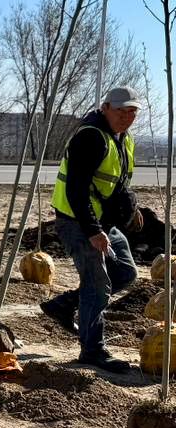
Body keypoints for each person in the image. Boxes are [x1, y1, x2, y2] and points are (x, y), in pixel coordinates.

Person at [40, 86, 142, 374]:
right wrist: (93, 231)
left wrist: (133, 209)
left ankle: (64, 305)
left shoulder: (123, 139)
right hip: (78, 221)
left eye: (132, 112)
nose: (126, 117)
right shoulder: (90, 137)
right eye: (121, 111)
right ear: (106, 108)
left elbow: (117, 182)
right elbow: (76, 189)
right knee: (97, 285)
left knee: (125, 273)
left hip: (103, 222)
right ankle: (92, 351)